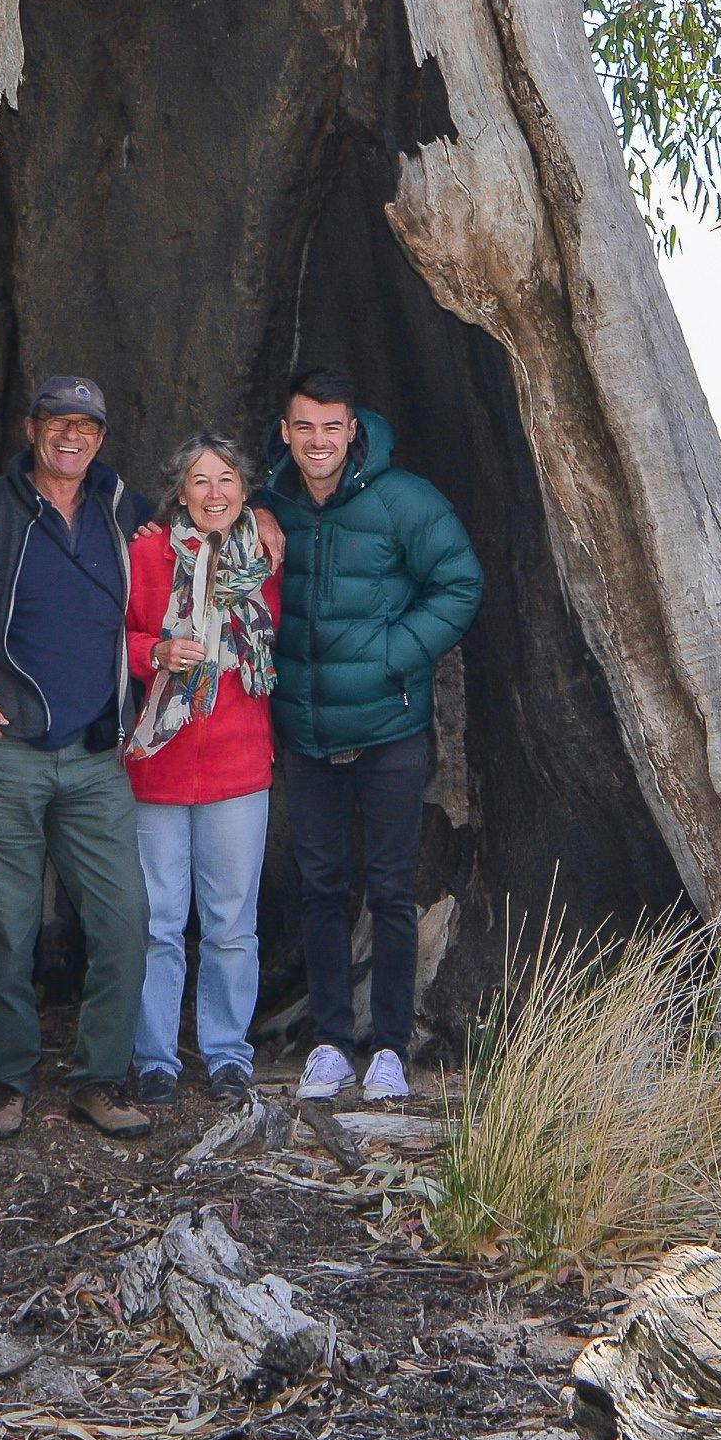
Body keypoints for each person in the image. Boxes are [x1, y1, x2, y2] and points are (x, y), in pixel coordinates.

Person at [0, 376, 161, 1141]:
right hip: (2, 752)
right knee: (6, 925)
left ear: (101, 437)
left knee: (125, 920)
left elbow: (208, 533)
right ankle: (5, 1078)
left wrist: (264, 523)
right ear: (33, 427)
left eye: (87, 425)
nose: (72, 436)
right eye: (59, 421)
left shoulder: (128, 514)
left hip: (95, 757)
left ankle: (99, 1077)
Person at [260, 367, 481, 1106]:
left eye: (332, 426)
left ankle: (389, 1046)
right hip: (307, 730)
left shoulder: (403, 499)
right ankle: (329, 1041)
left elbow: (460, 582)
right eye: (304, 427)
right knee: (320, 887)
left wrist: (391, 655)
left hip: (390, 729)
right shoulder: (272, 503)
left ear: (353, 429)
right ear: (286, 432)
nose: (318, 441)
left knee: (390, 891)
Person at [122, 431, 280, 1108]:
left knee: (231, 922)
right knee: (157, 920)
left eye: (226, 480)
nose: (214, 493)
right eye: (200, 481)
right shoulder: (146, 552)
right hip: (158, 761)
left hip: (240, 762)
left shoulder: (268, 555)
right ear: (179, 492)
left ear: (246, 490)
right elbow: (113, 632)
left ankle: (226, 1054)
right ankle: (154, 1056)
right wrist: (155, 651)